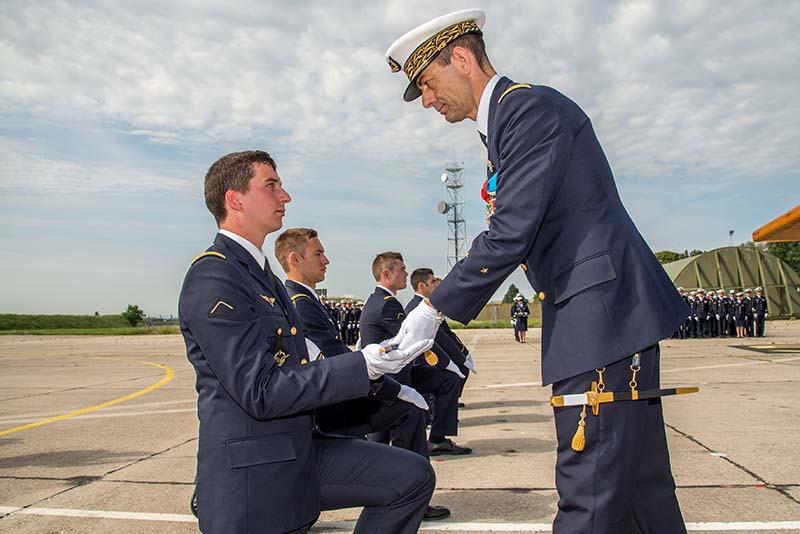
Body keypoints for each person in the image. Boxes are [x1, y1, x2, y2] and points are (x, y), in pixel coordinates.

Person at [385, 10, 689, 533]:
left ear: (462, 59)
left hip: (598, 317)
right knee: (641, 493)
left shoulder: (527, 111)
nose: (428, 101)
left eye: (429, 84)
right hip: (602, 316)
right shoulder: (508, 124)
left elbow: (511, 232)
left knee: (590, 492)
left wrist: (432, 308)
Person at [178, 150, 436, 534]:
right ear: (235, 200)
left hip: (296, 445)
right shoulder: (215, 276)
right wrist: (363, 364)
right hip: (255, 467)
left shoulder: (262, 276)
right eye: (271, 185)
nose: (285, 196)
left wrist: (383, 384)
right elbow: (261, 390)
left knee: (412, 476)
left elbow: (303, 365)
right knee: (408, 476)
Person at [358, 251, 452, 520]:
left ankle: (388, 499)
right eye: (401, 269)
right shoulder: (387, 305)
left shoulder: (377, 300)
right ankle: (413, 502)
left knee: (378, 448)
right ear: (386, 274)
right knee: (411, 448)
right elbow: (409, 341)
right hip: (393, 385)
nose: (405, 273)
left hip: (380, 384)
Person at [407, 267, 473, 455]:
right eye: (433, 282)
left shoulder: (425, 305)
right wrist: (453, 361)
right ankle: (435, 439)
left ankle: (436, 437)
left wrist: (461, 355)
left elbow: (444, 335)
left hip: (426, 360)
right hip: (421, 362)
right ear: (422, 286)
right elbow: (432, 340)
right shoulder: (419, 307)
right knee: (448, 380)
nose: (437, 285)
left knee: (450, 380)